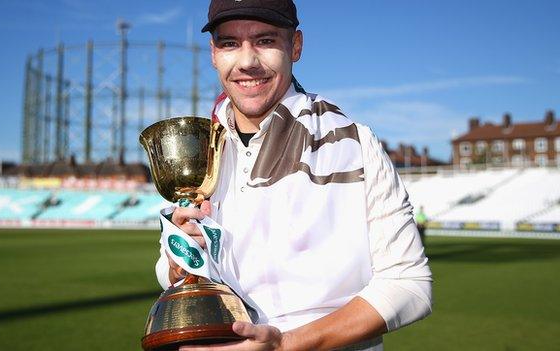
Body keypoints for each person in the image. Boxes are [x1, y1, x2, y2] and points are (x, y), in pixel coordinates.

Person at [155, 1, 432, 350]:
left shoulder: (353, 142)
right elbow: (166, 273)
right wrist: (179, 263)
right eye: (229, 43)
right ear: (213, 53)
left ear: (295, 46)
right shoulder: (202, 151)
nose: (246, 62)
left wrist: (285, 344)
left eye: (265, 40)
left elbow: (409, 285)